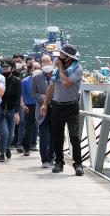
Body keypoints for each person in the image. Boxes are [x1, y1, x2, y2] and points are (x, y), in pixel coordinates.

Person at [40, 45, 84, 175]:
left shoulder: (78, 69)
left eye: (62, 55)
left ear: (69, 58)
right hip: (57, 106)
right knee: (56, 136)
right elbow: (51, 87)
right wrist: (45, 104)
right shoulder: (56, 71)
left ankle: (78, 164)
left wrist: (59, 68)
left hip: (72, 106)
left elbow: (66, 83)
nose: (59, 57)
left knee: (74, 136)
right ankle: (59, 162)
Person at [31, 55, 55, 168]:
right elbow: (34, 94)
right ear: (41, 64)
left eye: (48, 61)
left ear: (52, 62)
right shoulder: (36, 77)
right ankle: (44, 159)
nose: (46, 63)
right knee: (43, 135)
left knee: (54, 135)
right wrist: (45, 98)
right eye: (43, 62)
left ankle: (52, 156)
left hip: (55, 108)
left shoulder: (57, 75)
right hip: (42, 110)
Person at [0, 58, 21, 162]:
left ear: (12, 68)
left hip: (12, 110)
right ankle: (2, 153)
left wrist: (17, 112)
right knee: (5, 132)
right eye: (3, 67)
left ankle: (7, 147)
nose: (4, 69)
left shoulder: (17, 81)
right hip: (0, 110)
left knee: (11, 133)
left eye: (7, 67)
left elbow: (17, 97)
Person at [21, 62, 40, 156]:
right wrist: (23, 106)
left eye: (38, 68)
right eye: (35, 68)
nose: (37, 70)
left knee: (39, 126)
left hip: (40, 105)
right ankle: (26, 147)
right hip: (29, 105)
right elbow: (21, 95)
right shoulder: (25, 81)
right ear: (30, 70)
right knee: (28, 127)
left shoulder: (43, 80)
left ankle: (35, 144)